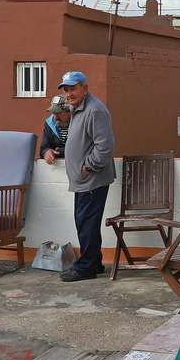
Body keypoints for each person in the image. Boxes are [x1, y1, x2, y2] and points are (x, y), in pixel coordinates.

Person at [56, 71, 114, 282]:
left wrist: (87, 167)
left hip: (91, 178)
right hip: (82, 180)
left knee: (87, 222)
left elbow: (105, 147)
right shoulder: (77, 108)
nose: (69, 94)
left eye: (73, 89)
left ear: (85, 88)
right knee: (85, 222)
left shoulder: (94, 110)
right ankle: (94, 262)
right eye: (66, 90)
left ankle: (86, 267)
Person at [41, 95, 71, 165]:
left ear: (69, 111)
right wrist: (47, 151)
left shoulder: (80, 123)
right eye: (53, 113)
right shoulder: (49, 123)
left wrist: (58, 150)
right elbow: (44, 146)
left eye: (58, 113)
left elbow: (78, 150)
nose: (55, 117)